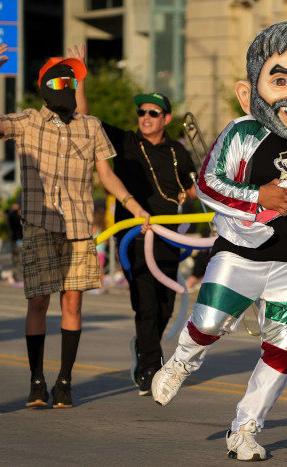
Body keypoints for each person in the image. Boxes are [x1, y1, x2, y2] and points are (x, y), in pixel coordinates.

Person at [149, 22, 287, 461]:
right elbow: (208, 186)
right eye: (281, 79)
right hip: (242, 250)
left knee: (284, 349)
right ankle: (182, 361)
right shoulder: (242, 132)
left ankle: (245, 428)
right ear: (249, 92)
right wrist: (258, 196)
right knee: (208, 323)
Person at [0, 44, 149, 409]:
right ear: (46, 88)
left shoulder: (90, 127)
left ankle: (64, 381)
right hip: (39, 223)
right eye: (60, 83)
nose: (66, 89)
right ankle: (37, 380)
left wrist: (133, 206)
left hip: (79, 227)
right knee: (38, 302)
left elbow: (106, 176)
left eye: (71, 83)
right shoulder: (27, 122)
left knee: (73, 304)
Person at [70, 49, 198, 396]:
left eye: (153, 112)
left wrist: (190, 195)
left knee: (165, 304)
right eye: (141, 111)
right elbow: (84, 118)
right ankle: (150, 369)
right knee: (145, 302)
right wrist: (82, 80)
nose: (145, 116)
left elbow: (193, 188)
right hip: (133, 234)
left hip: (170, 234)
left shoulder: (179, 153)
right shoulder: (125, 141)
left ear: (166, 118)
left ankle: (144, 349)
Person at [5, 195, 23, 286]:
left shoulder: (17, 216)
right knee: (17, 261)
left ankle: (18, 278)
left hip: (18, 241)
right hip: (17, 241)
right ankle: (18, 278)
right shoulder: (15, 216)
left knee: (18, 261)